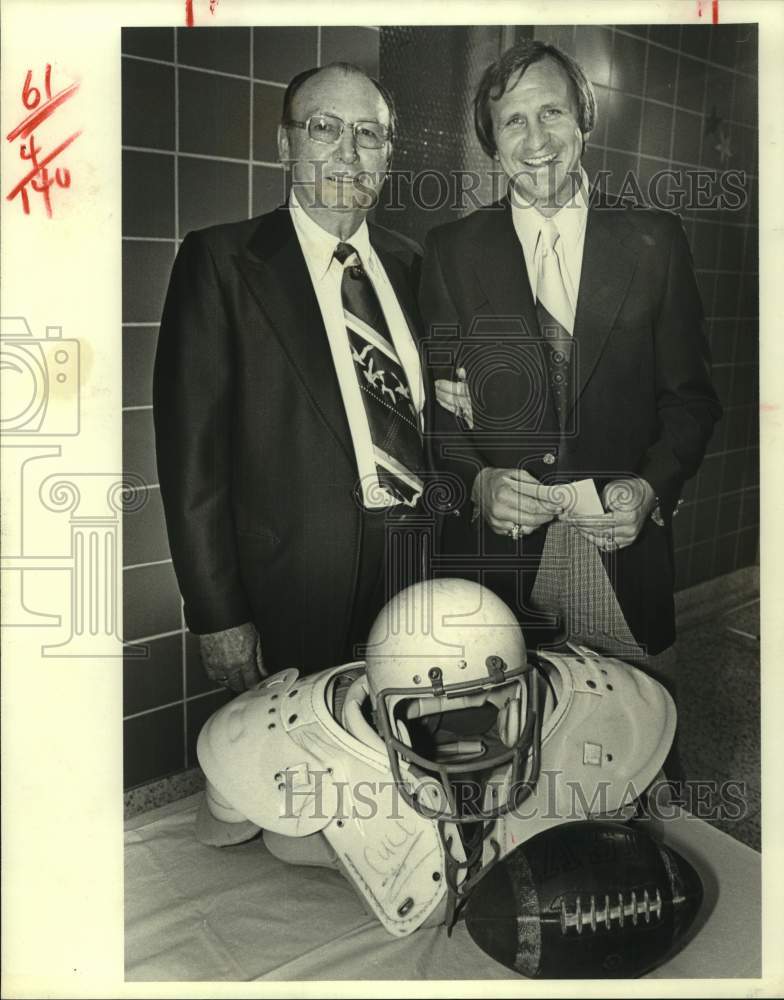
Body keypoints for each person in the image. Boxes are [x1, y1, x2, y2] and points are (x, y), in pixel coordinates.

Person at [418, 41, 721, 740]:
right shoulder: (452, 251)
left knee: (633, 752)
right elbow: (437, 409)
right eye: (514, 121)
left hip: (622, 548)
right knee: (499, 749)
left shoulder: (654, 241)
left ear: (585, 119)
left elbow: (691, 399)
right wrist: (478, 482)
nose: (536, 140)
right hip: (498, 565)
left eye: (551, 111)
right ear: (493, 145)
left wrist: (652, 487)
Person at [153, 63, 428, 693]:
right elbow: (191, 461)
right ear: (286, 144)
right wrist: (217, 614)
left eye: (368, 134)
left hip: (418, 573)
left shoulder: (415, 264)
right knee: (299, 769)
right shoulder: (221, 262)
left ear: (387, 154)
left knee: (407, 747)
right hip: (290, 590)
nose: (348, 152)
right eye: (325, 128)